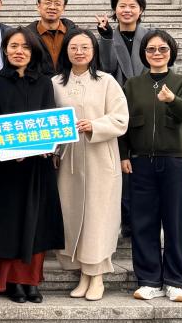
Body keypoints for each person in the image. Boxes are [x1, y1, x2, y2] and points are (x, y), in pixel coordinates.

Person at [0, 27, 64, 304]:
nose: (19, 51)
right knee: (8, 223)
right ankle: (10, 281)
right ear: (5, 50)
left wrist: (45, 147)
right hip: (5, 167)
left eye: (25, 47)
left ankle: (30, 281)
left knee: (35, 222)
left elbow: (50, 121)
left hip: (37, 167)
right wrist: (8, 150)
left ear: (33, 52)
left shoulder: (45, 83)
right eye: (13, 46)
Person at [121, 30, 182, 303]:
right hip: (141, 161)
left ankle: (176, 281)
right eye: (151, 49)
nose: (157, 53)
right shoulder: (133, 85)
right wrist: (123, 155)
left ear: (171, 52)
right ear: (144, 54)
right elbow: (123, 122)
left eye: (162, 49)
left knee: (176, 221)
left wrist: (173, 100)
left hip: (174, 161)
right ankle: (149, 280)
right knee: (143, 222)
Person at [52, 30, 129, 302]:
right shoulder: (55, 83)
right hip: (68, 159)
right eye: (74, 47)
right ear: (66, 51)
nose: (79, 52)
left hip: (100, 157)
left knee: (99, 215)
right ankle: (82, 272)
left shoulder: (106, 81)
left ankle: (96, 276)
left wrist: (94, 126)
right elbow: (50, 122)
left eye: (85, 47)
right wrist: (54, 148)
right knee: (72, 214)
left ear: (94, 51)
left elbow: (121, 118)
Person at [96, 0, 153, 236]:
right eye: (122, 6)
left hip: (146, 106)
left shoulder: (152, 37)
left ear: (141, 10)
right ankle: (123, 220)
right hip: (116, 108)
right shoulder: (108, 35)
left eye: (132, 6)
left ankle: (141, 221)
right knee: (119, 164)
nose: (127, 10)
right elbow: (106, 67)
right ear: (114, 10)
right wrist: (106, 38)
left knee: (141, 166)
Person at [27, 0, 79, 74]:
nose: (52, 7)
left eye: (57, 4)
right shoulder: (27, 35)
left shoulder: (75, 34)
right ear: (38, 6)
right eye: (48, 3)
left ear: (64, 8)